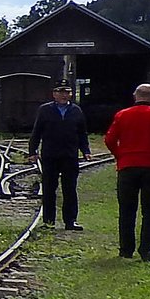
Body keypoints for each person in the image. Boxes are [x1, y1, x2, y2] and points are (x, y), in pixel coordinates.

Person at [26, 79, 91, 230]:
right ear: (54, 94)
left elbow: (82, 133)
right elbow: (37, 132)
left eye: (67, 92)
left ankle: (70, 221)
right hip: (50, 155)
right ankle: (49, 221)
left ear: (70, 94)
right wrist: (32, 151)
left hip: (69, 155)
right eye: (60, 92)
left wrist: (86, 151)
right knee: (49, 188)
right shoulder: (45, 110)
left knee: (70, 188)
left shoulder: (76, 111)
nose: (64, 95)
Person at [104, 83, 150, 261]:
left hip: (127, 167)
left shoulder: (122, 115)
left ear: (135, 96)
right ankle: (147, 250)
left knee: (126, 209)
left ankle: (126, 249)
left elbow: (110, 139)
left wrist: (120, 155)